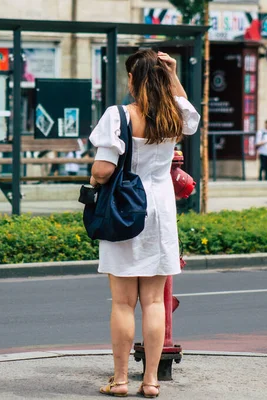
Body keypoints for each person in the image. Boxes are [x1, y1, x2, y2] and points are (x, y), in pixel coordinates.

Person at [88, 49, 200, 398]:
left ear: (133, 80)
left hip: (125, 210)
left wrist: (93, 178)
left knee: (122, 303)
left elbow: (104, 169)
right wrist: (173, 75)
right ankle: (150, 381)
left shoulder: (118, 115)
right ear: (163, 80)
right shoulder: (173, 116)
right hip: (161, 213)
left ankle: (120, 380)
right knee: (153, 302)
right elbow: (190, 115)